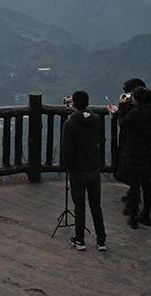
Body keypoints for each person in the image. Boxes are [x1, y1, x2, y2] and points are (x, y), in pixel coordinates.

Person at [61, 90, 107, 252]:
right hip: (94, 168)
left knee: (79, 206)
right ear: (87, 103)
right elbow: (102, 140)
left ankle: (79, 239)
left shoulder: (69, 123)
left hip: (77, 171)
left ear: (74, 104)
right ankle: (101, 240)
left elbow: (67, 150)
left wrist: (68, 166)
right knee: (96, 205)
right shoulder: (96, 119)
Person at [117, 86, 151, 229]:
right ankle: (146, 214)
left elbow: (123, 123)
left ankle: (133, 217)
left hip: (134, 154)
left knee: (134, 187)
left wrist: (122, 107)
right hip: (147, 154)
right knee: (147, 186)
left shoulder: (135, 114)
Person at [108, 78, 147, 208]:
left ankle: (133, 208)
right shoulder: (149, 108)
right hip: (144, 146)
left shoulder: (136, 110)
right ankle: (134, 196)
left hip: (133, 145)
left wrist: (121, 109)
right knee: (136, 175)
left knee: (129, 172)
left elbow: (124, 122)